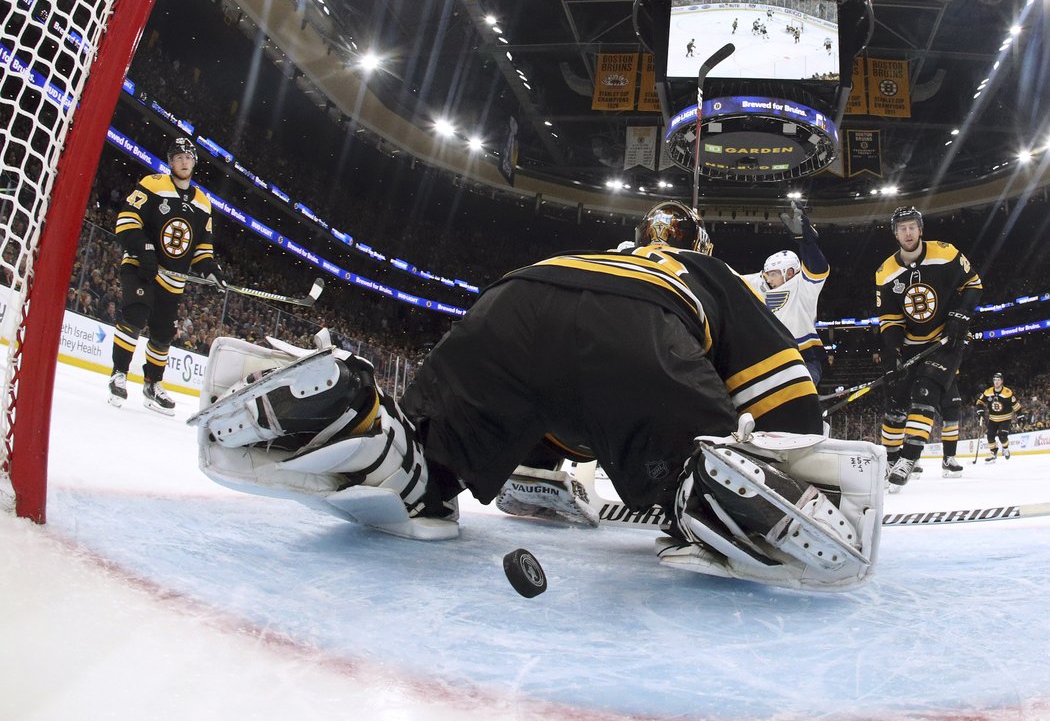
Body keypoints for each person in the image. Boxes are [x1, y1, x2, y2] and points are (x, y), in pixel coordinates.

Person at [191, 201, 884, 592]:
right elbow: (783, 391)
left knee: (432, 469)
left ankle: (360, 421)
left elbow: (559, 390)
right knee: (699, 469)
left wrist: (534, 467)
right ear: (699, 243)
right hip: (639, 326)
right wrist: (791, 447)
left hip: (515, 296)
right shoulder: (705, 269)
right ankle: (717, 498)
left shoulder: (598, 255)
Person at [108, 137, 227, 415]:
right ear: (170, 161)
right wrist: (145, 250)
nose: (184, 161)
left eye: (188, 157)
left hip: (173, 278)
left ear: (194, 162)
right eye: (178, 157)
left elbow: (202, 248)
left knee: (163, 333)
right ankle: (119, 373)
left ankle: (152, 384)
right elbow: (126, 222)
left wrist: (211, 269)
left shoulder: (202, 202)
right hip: (140, 266)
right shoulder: (153, 184)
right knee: (135, 315)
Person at [875, 206, 982, 490]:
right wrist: (892, 351)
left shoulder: (946, 253)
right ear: (895, 233)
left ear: (921, 229)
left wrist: (962, 314)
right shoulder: (885, 272)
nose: (908, 232)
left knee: (926, 390)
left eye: (912, 227)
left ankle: (910, 458)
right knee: (896, 404)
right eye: (902, 228)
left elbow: (974, 284)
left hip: (947, 340)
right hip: (912, 345)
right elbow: (891, 319)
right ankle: (890, 459)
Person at [742, 201, 829, 384]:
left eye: (773, 274)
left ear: (789, 273)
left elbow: (818, 267)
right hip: (771, 358)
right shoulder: (762, 282)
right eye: (767, 274)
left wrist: (806, 241)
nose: (769, 278)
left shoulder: (802, 285)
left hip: (804, 359)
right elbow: (728, 277)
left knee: (800, 393)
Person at [975, 372, 1023, 462]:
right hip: (993, 419)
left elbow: (1015, 405)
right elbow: (979, 402)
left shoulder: (1007, 392)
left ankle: (1005, 448)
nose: (996, 382)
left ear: (1002, 381)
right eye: (995, 380)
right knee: (990, 437)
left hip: (1005, 418)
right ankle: (993, 453)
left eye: (998, 380)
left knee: (1002, 436)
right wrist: (980, 412)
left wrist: (1020, 415)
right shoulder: (988, 392)